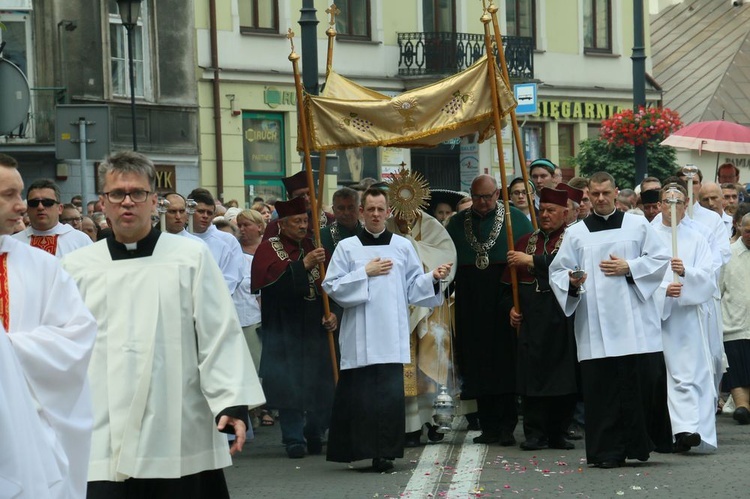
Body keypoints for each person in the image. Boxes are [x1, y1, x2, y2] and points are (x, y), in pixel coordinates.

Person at [61, 151, 264, 497]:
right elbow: (61, 346)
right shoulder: (77, 266)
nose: (128, 202)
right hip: (102, 424)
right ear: (103, 204)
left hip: (177, 419)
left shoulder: (190, 258)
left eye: (137, 193)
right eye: (117, 194)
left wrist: (231, 401)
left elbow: (218, 333)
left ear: (153, 200)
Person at [322, 188, 452, 471]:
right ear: (361, 213)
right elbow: (331, 286)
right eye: (370, 210)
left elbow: (414, 287)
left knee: (387, 399)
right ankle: (360, 450)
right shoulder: (347, 248)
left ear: (388, 212)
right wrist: (364, 273)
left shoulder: (402, 246)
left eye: (381, 209)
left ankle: (385, 454)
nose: (376, 214)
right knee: (361, 396)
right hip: (360, 337)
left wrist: (433, 277)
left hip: (391, 336)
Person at [549, 171, 671, 469]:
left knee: (638, 384)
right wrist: (573, 282)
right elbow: (558, 272)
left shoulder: (637, 223)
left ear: (616, 193)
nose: (601, 199)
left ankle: (638, 446)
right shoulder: (576, 233)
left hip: (636, 323)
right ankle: (607, 452)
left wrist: (628, 266)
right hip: (595, 327)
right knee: (601, 390)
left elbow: (659, 259)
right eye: (595, 194)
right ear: (587, 195)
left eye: (606, 193)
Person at [0, 154, 97, 498]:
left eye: (20, 194)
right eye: (9, 195)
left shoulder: (42, 266)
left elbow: (77, 334)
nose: (21, 206)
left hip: (29, 419)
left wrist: (8, 350)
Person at [445, 174, 533, 445]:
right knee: (476, 360)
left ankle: (506, 426)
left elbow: (527, 257)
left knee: (504, 362)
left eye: (488, 196)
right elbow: (448, 261)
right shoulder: (457, 223)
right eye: (477, 197)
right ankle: (488, 425)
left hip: (501, 296)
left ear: (498, 194)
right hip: (470, 299)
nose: (483, 202)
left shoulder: (515, 219)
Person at [251, 197, 337, 459]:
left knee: (319, 384)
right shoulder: (269, 248)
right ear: (282, 225)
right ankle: (292, 437)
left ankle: (314, 432)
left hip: (314, 329)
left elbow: (331, 285)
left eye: (305, 220)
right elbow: (272, 286)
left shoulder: (315, 245)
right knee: (289, 385)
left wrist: (331, 312)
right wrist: (303, 265)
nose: (303, 226)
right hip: (285, 329)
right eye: (297, 222)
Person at [505, 188, 578, 451]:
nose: (545, 215)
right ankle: (534, 433)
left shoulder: (574, 239)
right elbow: (507, 285)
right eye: (542, 210)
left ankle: (559, 432)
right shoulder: (525, 240)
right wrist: (511, 310)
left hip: (562, 317)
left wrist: (532, 261)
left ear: (565, 213)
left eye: (551, 211)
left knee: (563, 378)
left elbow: (568, 268)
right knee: (532, 378)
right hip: (532, 320)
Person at [651, 184, 717, 453]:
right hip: (657, 317)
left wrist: (686, 272)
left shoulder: (697, 237)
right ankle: (668, 432)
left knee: (687, 374)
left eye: (678, 201)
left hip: (687, 316)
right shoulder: (648, 235)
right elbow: (639, 277)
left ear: (687, 203)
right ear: (659, 205)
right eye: (668, 201)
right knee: (662, 376)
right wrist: (663, 290)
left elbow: (709, 277)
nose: (673, 207)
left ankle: (689, 430)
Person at [385, 201, 457, 447]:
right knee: (405, 365)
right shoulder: (387, 227)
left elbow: (447, 255)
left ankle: (433, 421)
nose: (404, 216)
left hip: (429, 306)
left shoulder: (432, 226)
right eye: (399, 211)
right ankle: (409, 426)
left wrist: (413, 247)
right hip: (398, 307)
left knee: (430, 360)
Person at [719, 213, 750, 425]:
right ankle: (742, 407)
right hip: (734, 325)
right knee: (737, 372)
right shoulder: (727, 255)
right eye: (748, 230)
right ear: (739, 227)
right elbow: (718, 290)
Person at [13, 178, 92, 257]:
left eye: (47, 202)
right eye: (34, 203)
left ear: (60, 208)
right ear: (27, 208)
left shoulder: (80, 241)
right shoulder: (13, 243)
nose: (40, 207)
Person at [188, 188, 245, 295]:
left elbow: (233, 278)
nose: (205, 216)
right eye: (200, 211)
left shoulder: (227, 240)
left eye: (209, 213)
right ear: (189, 211)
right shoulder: (179, 238)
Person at [263, 171, 334, 240]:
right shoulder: (276, 226)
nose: (306, 199)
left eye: (309, 194)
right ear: (290, 197)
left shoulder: (330, 220)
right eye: (301, 195)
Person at [320, 187, 362, 255]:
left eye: (351, 208)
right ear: (333, 210)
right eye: (341, 208)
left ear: (359, 209)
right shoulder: (322, 237)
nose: (346, 213)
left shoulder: (369, 233)